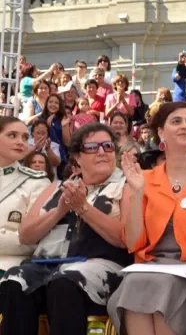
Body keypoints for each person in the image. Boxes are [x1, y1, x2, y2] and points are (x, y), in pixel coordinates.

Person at [0, 123, 132, 335]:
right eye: (92, 147)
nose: (101, 152)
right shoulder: (57, 187)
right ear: (78, 157)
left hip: (97, 264)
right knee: (14, 280)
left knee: (65, 282)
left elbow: (124, 239)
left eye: (108, 146)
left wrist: (84, 208)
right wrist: (60, 211)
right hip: (46, 263)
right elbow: (25, 235)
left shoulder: (126, 185)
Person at [107, 102, 186, 335]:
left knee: (159, 284)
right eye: (176, 121)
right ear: (161, 133)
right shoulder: (143, 178)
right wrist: (136, 194)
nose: (185, 126)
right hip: (152, 268)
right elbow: (133, 243)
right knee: (137, 282)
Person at [0, 117, 50, 273]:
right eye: (12, 135)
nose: (20, 142)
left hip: (8, 268)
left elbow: (34, 239)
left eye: (25, 137)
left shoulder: (37, 182)